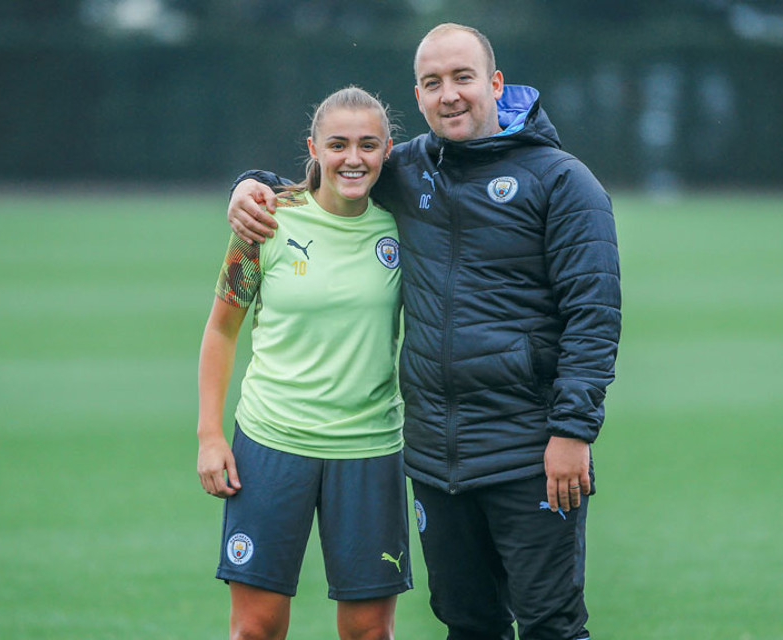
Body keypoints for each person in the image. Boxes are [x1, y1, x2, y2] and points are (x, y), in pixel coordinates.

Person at [227, 24, 621, 640]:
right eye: (434, 83)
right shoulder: (407, 169)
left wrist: (573, 430)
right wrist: (247, 185)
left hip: (530, 451)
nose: (450, 95)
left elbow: (593, 317)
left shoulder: (564, 182)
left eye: (463, 78)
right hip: (437, 459)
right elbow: (326, 175)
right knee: (468, 624)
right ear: (418, 96)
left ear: (494, 83)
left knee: (551, 625)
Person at [197, 85, 411, 640]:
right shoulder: (265, 221)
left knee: (369, 633)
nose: (353, 158)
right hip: (271, 445)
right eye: (337, 144)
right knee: (255, 630)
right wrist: (209, 436)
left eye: (368, 145)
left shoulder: (405, 228)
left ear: (388, 151)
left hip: (369, 448)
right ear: (312, 147)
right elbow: (222, 328)